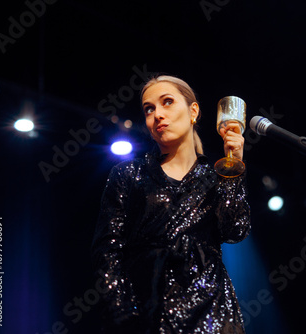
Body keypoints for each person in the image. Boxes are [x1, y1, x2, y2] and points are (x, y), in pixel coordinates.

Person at [91, 74, 251, 333]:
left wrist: (233, 170)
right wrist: (124, 313)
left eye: (167, 102)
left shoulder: (215, 179)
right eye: (149, 109)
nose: (157, 115)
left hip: (213, 313)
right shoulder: (129, 174)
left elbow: (235, 231)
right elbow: (107, 252)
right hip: (147, 311)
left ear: (193, 111)